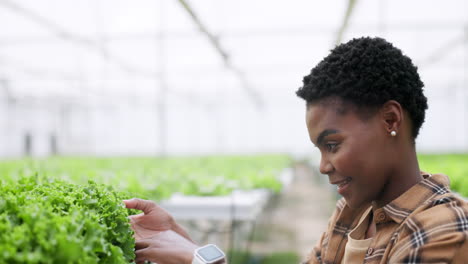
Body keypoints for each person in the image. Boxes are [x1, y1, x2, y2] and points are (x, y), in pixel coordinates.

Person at [124, 37, 468, 264]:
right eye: (319, 149)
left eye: (332, 145)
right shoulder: (353, 215)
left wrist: (197, 257)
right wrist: (186, 242)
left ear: (390, 119)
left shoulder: (444, 233)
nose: (323, 166)